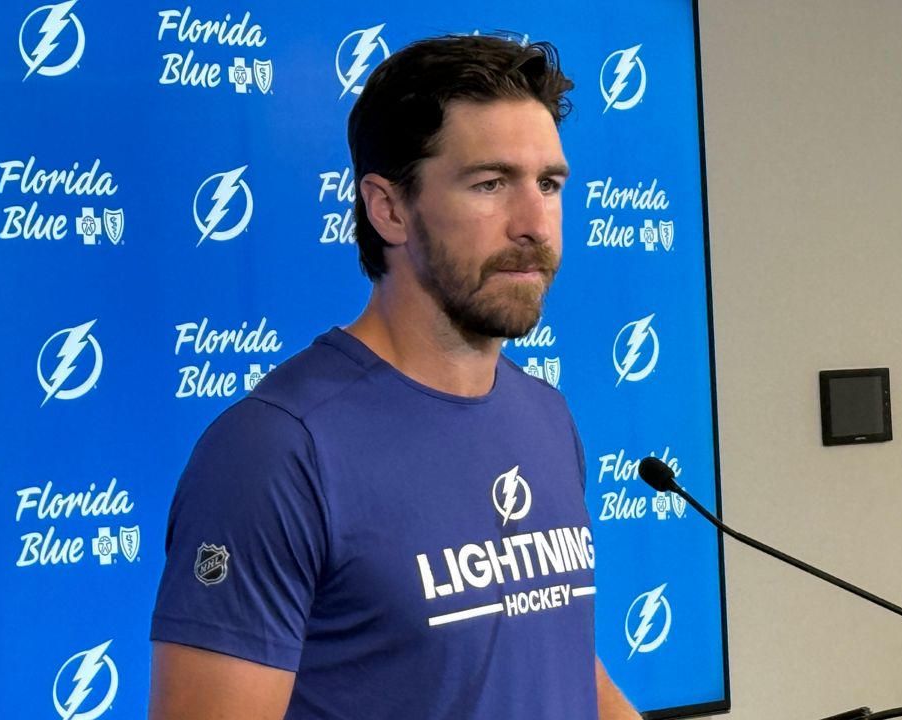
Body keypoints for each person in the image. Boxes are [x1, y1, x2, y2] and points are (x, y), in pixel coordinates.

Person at [148, 35, 641, 720]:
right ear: (388, 208)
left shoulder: (546, 415)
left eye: (549, 184)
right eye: (491, 184)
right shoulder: (277, 453)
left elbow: (558, 666)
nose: (534, 224)